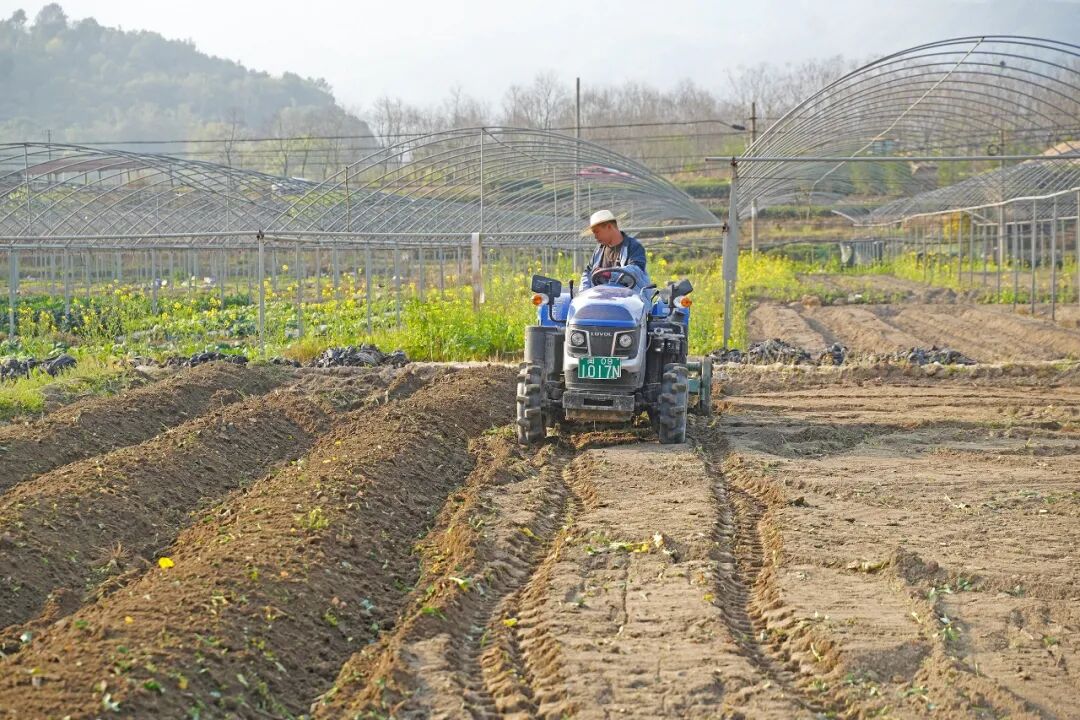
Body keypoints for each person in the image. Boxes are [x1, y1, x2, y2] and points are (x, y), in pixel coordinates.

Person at [579, 209, 647, 289]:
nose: (595, 236)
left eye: (597, 232)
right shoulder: (599, 250)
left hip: (628, 295)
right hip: (601, 295)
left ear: (609, 227)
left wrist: (610, 273)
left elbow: (637, 272)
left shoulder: (633, 246)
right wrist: (584, 293)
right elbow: (588, 273)